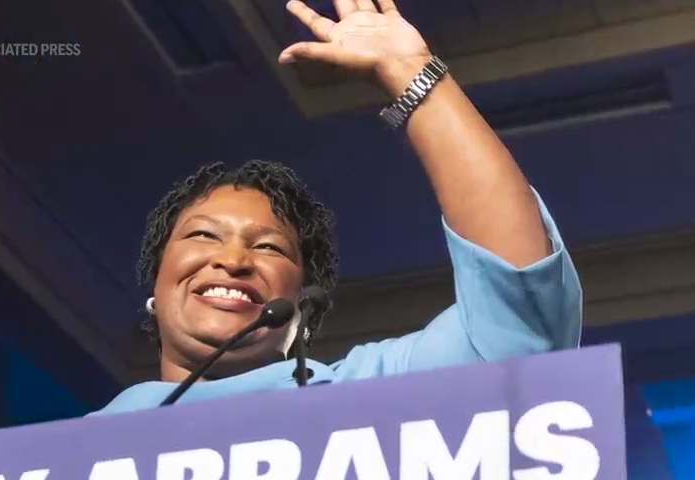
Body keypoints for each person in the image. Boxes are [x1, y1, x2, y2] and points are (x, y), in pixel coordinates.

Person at [91, 0, 582, 415]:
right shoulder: (66, 453)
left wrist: (410, 74)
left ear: (301, 306)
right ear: (156, 280)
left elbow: (521, 322)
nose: (235, 261)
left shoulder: (365, 397)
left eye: (269, 248)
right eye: (203, 235)